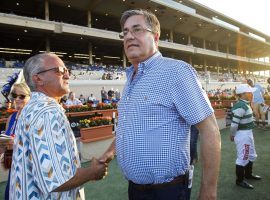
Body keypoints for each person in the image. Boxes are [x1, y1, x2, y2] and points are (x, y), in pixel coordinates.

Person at [100, 9, 221, 200]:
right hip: (136, 189)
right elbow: (129, 126)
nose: (129, 36)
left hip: (167, 191)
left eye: (137, 29)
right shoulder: (132, 77)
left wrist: (208, 192)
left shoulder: (176, 71)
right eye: (125, 32)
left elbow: (210, 130)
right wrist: (109, 152)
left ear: (155, 37)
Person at [9, 53, 107, 199]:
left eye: (67, 71)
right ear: (38, 78)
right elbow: (55, 181)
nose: (67, 75)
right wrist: (94, 171)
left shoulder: (33, 107)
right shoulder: (47, 112)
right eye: (60, 71)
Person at [1, 72, 31, 200]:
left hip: (29, 174)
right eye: (14, 95)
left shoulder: (33, 118)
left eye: (22, 96)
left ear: (30, 97)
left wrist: (17, 144)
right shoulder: (11, 118)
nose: (17, 99)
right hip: (13, 172)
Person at [230, 84, 261, 189]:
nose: (251, 93)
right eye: (249, 92)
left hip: (247, 133)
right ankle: (240, 180)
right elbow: (234, 124)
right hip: (243, 134)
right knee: (243, 157)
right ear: (243, 94)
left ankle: (248, 175)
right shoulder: (241, 106)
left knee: (251, 154)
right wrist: (232, 135)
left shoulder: (245, 104)